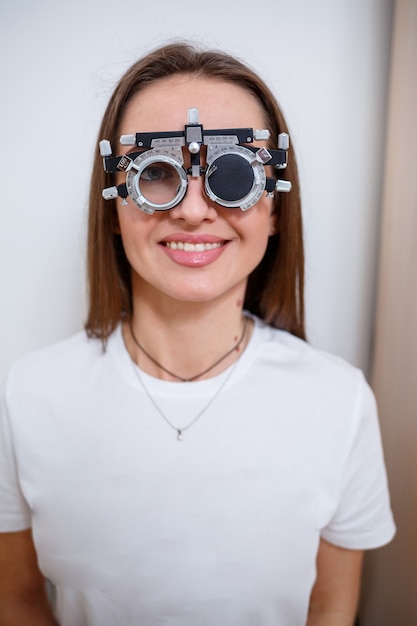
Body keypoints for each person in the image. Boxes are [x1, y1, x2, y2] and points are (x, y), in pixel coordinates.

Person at [0, 42, 395, 626]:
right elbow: (16, 602)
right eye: (156, 175)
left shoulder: (340, 403)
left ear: (275, 209)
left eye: (230, 174)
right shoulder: (27, 397)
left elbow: (331, 610)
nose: (191, 210)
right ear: (114, 205)